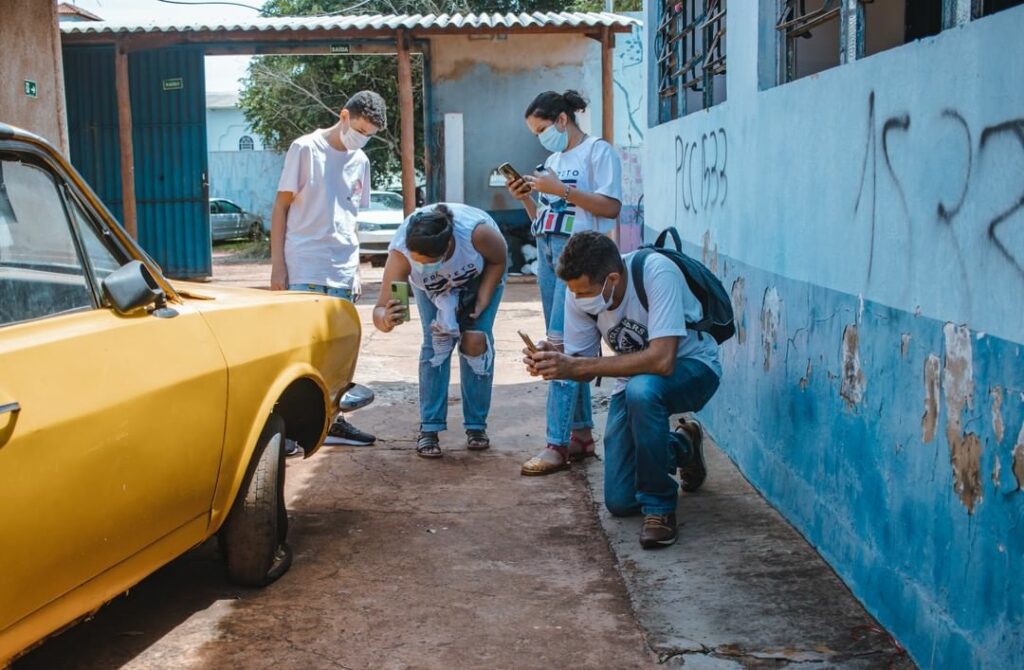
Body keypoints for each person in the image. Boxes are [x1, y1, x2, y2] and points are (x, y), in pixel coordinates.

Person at [523, 232, 721, 549]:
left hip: (695, 369)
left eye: (585, 291)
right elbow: (583, 367)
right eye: (573, 292)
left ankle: (660, 509)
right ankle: (683, 445)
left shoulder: (657, 272)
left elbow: (662, 360)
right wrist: (553, 360)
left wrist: (574, 367)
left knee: (642, 391)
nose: (578, 298)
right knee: (620, 500)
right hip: (635, 382)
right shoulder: (579, 295)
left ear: (612, 279)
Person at [505, 90, 623, 476]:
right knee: (569, 344)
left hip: (581, 255)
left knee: (557, 346)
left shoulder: (598, 152)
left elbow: (610, 206)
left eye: (542, 128)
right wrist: (527, 198)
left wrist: (564, 190)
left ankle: (556, 443)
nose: (541, 137)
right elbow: (546, 216)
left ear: (561, 120)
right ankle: (581, 435)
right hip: (548, 251)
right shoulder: (553, 160)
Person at [270, 90, 387, 455]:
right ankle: (288, 429)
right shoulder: (304, 149)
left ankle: (333, 422)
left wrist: (355, 271)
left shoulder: (361, 160)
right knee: (300, 351)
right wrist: (278, 266)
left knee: (338, 352)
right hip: (304, 262)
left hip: (342, 267)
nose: (361, 137)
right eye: (360, 128)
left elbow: (350, 216)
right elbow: (280, 207)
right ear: (343, 116)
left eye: (369, 133)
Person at [374, 203, 507, 459]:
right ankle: (430, 428)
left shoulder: (477, 234)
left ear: (447, 248)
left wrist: (482, 298)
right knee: (436, 344)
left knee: (475, 342)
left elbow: (498, 260)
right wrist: (387, 319)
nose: (423, 266)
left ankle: (476, 426)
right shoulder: (401, 255)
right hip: (431, 291)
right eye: (418, 261)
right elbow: (380, 311)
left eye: (430, 262)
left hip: (480, 275)